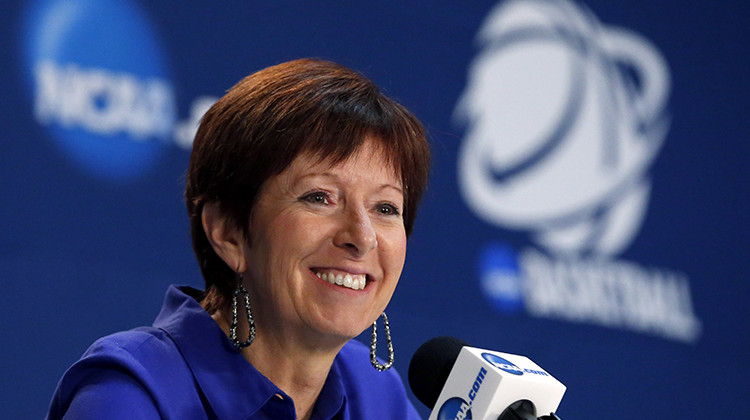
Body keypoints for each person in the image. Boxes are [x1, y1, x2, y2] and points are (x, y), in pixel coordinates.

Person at [46, 58, 431, 420]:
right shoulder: (131, 392)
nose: (362, 238)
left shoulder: (378, 396)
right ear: (228, 231)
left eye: (385, 208)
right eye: (319, 197)